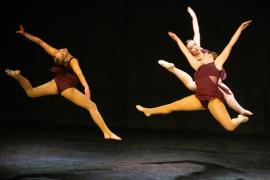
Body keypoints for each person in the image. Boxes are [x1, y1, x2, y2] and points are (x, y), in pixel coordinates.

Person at [5, 25, 121, 141]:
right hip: (66, 87)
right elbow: (80, 74)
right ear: (62, 57)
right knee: (92, 106)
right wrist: (86, 87)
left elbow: (41, 42)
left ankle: (17, 76)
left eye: (61, 51)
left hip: (57, 82)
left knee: (31, 92)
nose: (61, 50)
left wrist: (25, 34)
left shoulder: (61, 56)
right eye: (61, 52)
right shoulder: (73, 61)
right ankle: (107, 133)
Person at [136, 20, 252, 131]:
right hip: (199, 97)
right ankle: (148, 110)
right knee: (173, 106)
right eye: (207, 54)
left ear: (213, 58)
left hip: (213, 99)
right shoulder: (197, 64)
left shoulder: (218, 64)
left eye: (211, 55)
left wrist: (240, 29)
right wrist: (177, 39)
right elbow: (185, 52)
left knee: (230, 127)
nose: (207, 54)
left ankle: (241, 118)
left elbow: (230, 45)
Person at [158, 7, 252, 116]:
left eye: (195, 45)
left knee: (192, 85)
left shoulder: (199, 47)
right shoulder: (194, 60)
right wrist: (177, 39)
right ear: (190, 51)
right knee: (222, 90)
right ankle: (172, 68)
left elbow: (196, 30)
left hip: (211, 78)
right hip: (206, 81)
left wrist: (193, 15)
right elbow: (184, 50)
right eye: (191, 48)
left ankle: (172, 68)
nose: (195, 48)